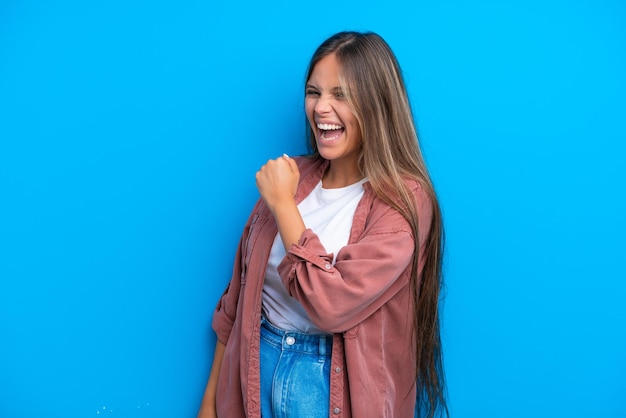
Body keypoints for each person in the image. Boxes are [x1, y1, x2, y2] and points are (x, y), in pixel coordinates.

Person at [197, 31, 447, 418]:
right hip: (254, 373)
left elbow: (330, 306)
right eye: (314, 92)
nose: (321, 108)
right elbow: (236, 305)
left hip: (327, 388)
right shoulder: (291, 176)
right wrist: (210, 404)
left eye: (341, 95)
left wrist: (282, 205)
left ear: (377, 104)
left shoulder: (404, 202)